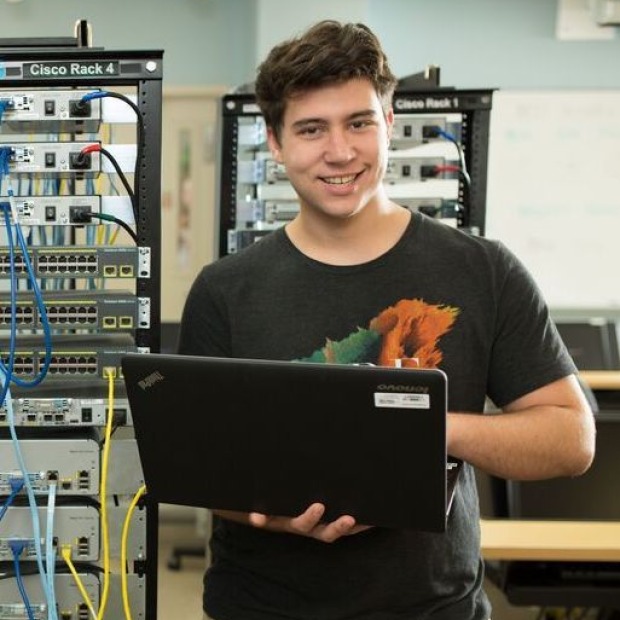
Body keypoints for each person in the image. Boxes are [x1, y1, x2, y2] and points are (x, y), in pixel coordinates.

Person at [177, 19, 596, 620]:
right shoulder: (225, 291)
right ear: (275, 142)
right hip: (262, 607)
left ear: (390, 123)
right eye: (311, 129)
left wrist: (423, 429)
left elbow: (571, 439)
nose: (340, 151)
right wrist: (273, 514)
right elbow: (197, 467)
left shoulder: (483, 272)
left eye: (359, 122)